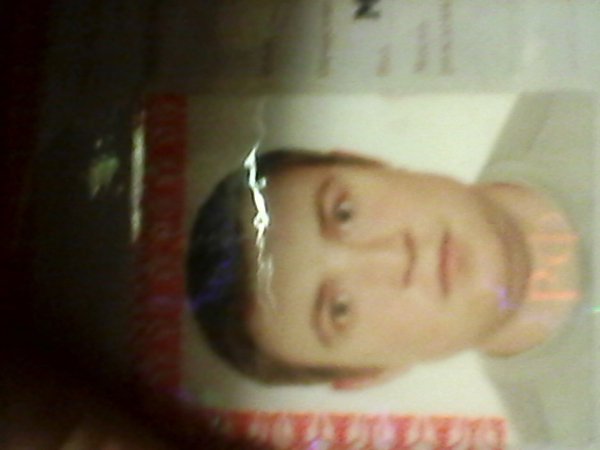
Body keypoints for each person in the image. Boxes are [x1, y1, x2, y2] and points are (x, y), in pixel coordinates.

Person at [186, 92, 595, 446]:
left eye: (343, 213)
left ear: (364, 163)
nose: (393, 257)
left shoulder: (577, 78)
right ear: (369, 374)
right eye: (339, 308)